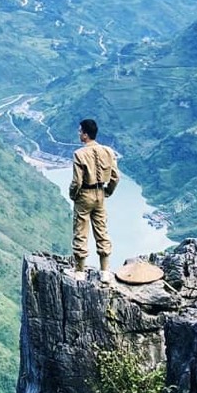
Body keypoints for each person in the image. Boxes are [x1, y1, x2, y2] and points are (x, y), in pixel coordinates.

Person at [69, 118, 119, 283]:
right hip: (100, 194)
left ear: (85, 134)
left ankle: (79, 271)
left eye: (80, 131)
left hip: (84, 195)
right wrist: (107, 192)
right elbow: (115, 177)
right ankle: (105, 272)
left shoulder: (79, 154)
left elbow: (77, 182)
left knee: (81, 232)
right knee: (102, 231)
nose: (78, 134)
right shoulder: (108, 151)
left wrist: (73, 195)